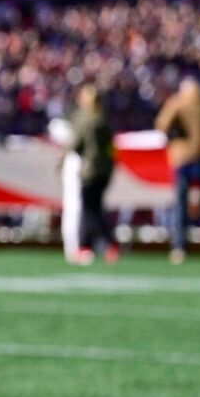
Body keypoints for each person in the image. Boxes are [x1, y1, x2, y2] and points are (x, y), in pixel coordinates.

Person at [154, 76, 200, 264]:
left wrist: (175, 138)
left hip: (182, 158)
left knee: (180, 204)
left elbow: (162, 124)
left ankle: (179, 247)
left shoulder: (177, 103)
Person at [67, 84, 116, 264]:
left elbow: (76, 144)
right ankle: (93, 245)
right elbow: (112, 149)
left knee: (90, 210)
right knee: (94, 209)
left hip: (90, 170)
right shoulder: (104, 121)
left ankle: (94, 245)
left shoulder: (86, 120)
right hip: (104, 170)